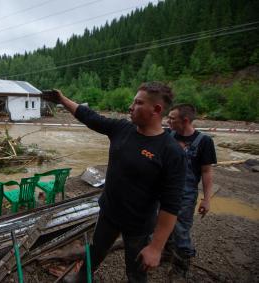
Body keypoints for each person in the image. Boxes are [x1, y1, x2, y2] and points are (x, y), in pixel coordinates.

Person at [45, 82, 186, 283]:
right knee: (95, 252)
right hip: (109, 213)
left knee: (136, 272)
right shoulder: (122, 129)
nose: (131, 106)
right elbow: (90, 117)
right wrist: (62, 99)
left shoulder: (171, 151)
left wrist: (155, 247)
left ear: (156, 109)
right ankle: (81, 278)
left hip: (138, 224)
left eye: (138, 103)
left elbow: (171, 204)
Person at [166, 103, 217, 279]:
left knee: (181, 229)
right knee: (161, 223)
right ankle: (166, 253)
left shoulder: (204, 141)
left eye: (172, 118)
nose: (168, 121)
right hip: (163, 190)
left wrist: (207, 199)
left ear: (185, 120)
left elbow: (206, 171)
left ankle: (181, 265)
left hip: (185, 194)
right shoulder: (168, 135)